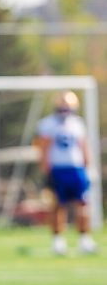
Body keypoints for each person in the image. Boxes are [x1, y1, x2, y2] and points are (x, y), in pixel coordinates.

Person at [35, 90, 96, 255]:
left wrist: (88, 167)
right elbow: (43, 149)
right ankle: (58, 241)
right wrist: (45, 170)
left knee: (82, 204)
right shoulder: (47, 124)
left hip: (76, 169)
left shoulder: (77, 123)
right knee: (57, 206)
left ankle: (84, 240)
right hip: (58, 169)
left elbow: (83, 147)